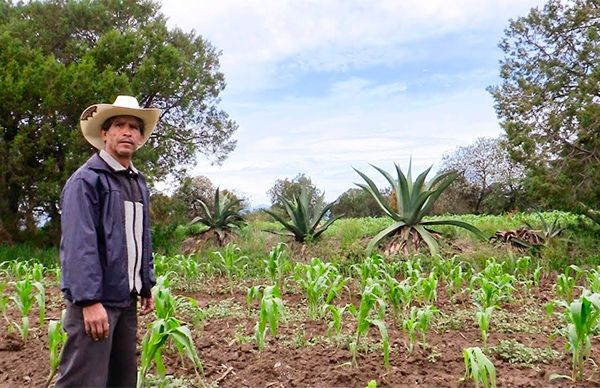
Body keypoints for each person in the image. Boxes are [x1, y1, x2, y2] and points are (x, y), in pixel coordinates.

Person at [55, 95, 161, 387]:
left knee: (121, 379)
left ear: (140, 137)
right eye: (119, 125)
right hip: (96, 303)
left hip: (125, 301)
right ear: (105, 133)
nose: (127, 131)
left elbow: (141, 235)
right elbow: (79, 245)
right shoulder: (87, 181)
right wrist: (89, 301)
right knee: (83, 381)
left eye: (134, 127)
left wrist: (145, 282)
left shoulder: (137, 182)